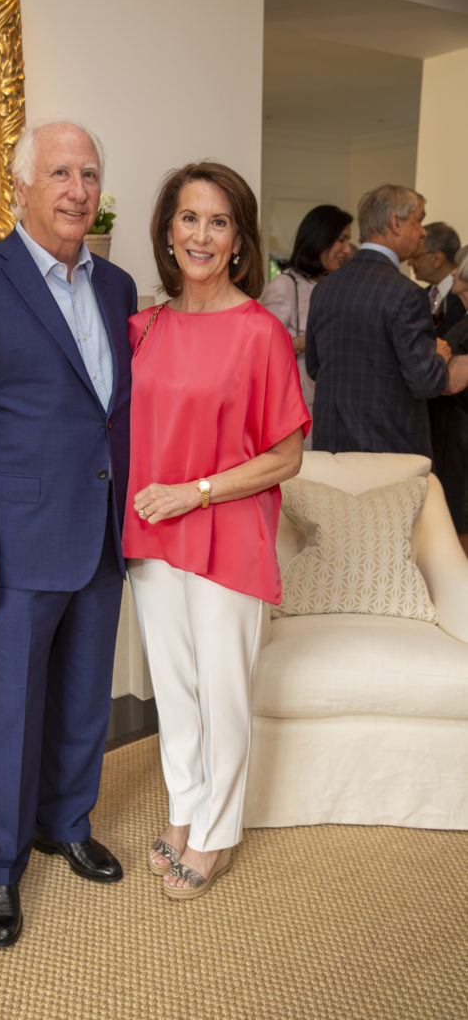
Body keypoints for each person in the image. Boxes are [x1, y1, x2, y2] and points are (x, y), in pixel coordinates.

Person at [0, 120, 137, 948]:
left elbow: (111, 414)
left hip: (101, 534)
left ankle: (66, 825)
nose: (76, 189)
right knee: (12, 712)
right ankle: (0, 870)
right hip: (10, 545)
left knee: (84, 697)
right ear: (21, 187)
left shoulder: (116, 288)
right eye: (58, 172)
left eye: (88, 172)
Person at [122, 162, 310, 900]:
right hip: (151, 533)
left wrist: (193, 492)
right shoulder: (144, 325)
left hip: (224, 530)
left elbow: (286, 454)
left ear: (238, 241)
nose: (201, 234)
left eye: (218, 221)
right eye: (188, 218)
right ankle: (182, 814)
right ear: (168, 232)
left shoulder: (259, 332)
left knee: (222, 689)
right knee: (174, 690)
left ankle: (217, 832)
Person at [305, 184, 459, 457]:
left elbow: (315, 367)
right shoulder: (407, 294)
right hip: (391, 452)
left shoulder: (325, 288)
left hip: (333, 448)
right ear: (395, 223)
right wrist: (440, 356)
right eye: (419, 221)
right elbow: (426, 382)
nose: (422, 232)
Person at [261, 204, 352, 442]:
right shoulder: (285, 285)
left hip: (337, 406)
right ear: (320, 239)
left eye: (348, 241)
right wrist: (308, 341)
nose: (347, 249)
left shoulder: (336, 286)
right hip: (301, 409)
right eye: (341, 240)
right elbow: (264, 354)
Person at [431, 245, 468, 531]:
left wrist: (438, 358)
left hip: (461, 442)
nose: (452, 272)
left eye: (459, 267)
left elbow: (452, 383)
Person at [408, 222, 464, 337]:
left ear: (437, 259)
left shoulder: (463, 298)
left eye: (415, 256)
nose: (409, 262)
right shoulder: (419, 297)